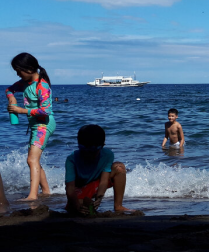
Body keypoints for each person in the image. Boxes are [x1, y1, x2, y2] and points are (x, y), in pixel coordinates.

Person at [5, 53, 55, 201]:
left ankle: (32, 196)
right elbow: (9, 89)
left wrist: (22, 110)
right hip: (35, 126)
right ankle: (46, 191)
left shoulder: (42, 86)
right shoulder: (24, 83)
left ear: (30, 68)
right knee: (33, 159)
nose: (17, 74)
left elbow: (45, 111)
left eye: (19, 70)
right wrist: (11, 97)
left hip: (44, 125)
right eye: (16, 71)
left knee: (31, 160)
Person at [65, 124, 132, 215]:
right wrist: (77, 206)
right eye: (84, 149)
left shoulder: (107, 155)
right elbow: (70, 188)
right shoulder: (72, 159)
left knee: (119, 167)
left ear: (102, 146)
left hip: (97, 184)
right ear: (79, 145)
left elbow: (104, 180)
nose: (88, 154)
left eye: (93, 150)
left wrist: (99, 197)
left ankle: (118, 206)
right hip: (80, 190)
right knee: (78, 205)